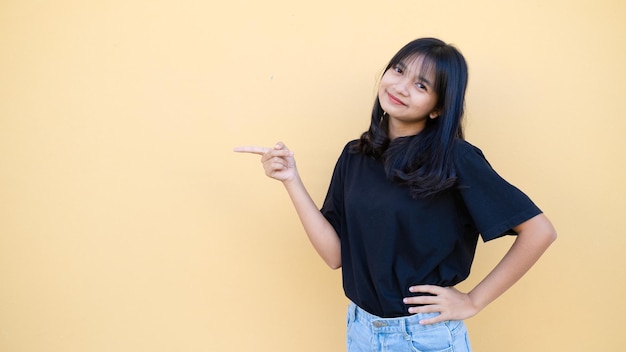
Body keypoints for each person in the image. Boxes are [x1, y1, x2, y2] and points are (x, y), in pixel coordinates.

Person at [234, 37, 556, 352]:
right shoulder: (355, 156)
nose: (401, 87)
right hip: (361, 331)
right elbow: (335, 256)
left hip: (424, 336)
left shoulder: (456, 159)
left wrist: (473, 300)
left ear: (438, 107)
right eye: (399, 71)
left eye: (421, 85)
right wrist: (291, 179)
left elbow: (539, 231)